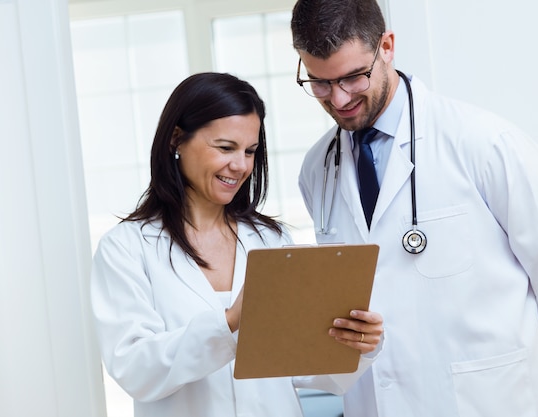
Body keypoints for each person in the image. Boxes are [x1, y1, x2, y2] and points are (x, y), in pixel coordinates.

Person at [290, 1, 538, 416]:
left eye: (352, 77)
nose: (339, 98)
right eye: (320, 83)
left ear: (387, 47)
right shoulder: (317, 169)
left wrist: (507, 366)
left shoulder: (482, 143)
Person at [90, 72, 384, 417]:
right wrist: (230, 320)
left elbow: (304, 369)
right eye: (226, 147)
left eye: (250, 151)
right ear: (176, 140)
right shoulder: (126, 249)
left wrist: (357, 345)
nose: (241, 165)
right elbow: (136, 370)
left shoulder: (271, 240)